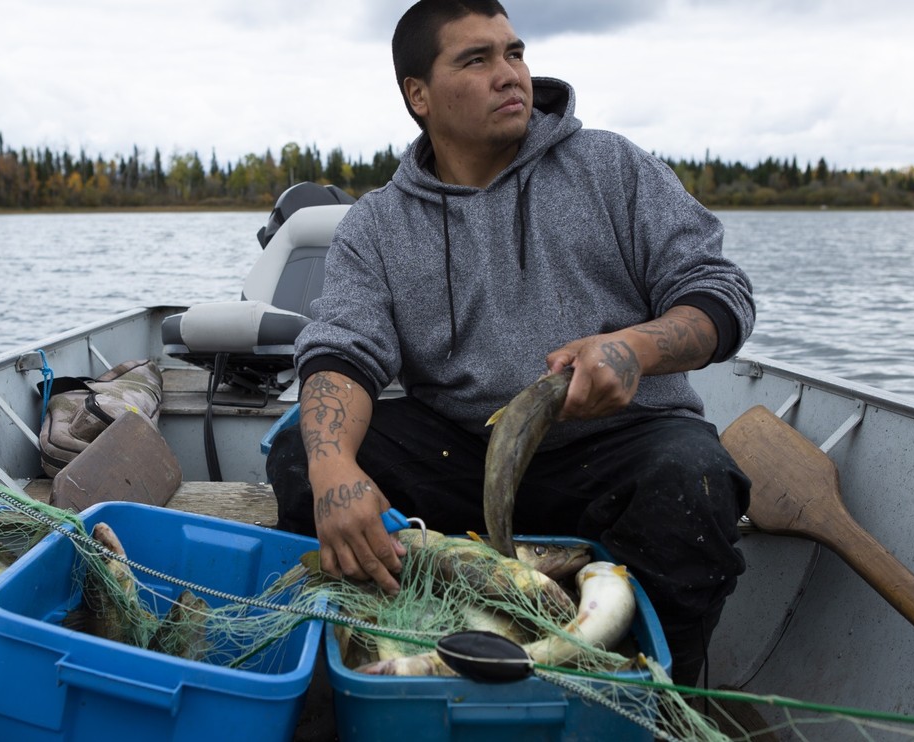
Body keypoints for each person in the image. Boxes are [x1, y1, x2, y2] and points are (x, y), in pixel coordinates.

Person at [266, 0, 754, 688]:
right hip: (462, 455)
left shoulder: (612, 167)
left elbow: (720, 296)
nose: (511, 74)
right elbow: (342, 349)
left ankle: (658, 698)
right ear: (419, 95)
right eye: (477, 59)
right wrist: (330, 469)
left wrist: (635, 349)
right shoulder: (377, 226)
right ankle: (356, 672)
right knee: (301, 451)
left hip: (617, 448)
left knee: (694, 477)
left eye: (515, 53)